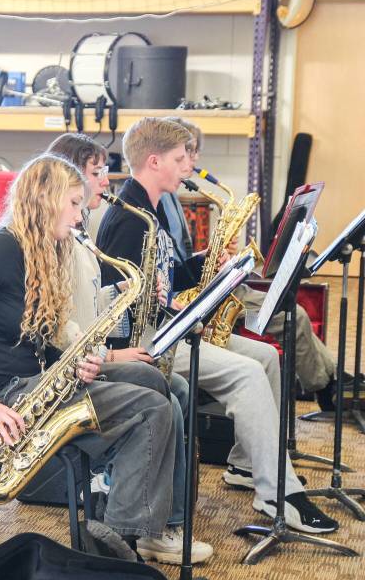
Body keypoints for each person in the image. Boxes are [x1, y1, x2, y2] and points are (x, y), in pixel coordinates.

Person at [96, 117, 337, 533]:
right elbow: (122, 309)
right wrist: (188, 318)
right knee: (244, 373)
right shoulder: (129, 221)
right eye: (179, 158)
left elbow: (165, 277)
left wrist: (206, 263)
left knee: (264, 356)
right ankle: (278, 492)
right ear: (154, 161)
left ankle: (247, 465)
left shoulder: (149, 209)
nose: (188, 165)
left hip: (169, 329)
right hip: (151, 343)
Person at [0, 153, 178, 549]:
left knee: (151, 378)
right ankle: (119, 546)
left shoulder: (41, 250)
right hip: (0, 403)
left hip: (31, 383)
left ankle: (135, 504)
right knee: (152, 409)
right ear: (45, 199)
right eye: (74, 204)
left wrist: (76, 362)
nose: (80, 217)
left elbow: (32, 340)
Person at [48, 133, 211, 564]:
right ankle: (146, 529)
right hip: (74, 368)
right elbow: (59, 330)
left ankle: (163, 518)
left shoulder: (80, 233)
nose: (106, 181)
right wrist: (113, 354)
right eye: (96, 172)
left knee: (171, 388)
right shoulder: (63, 238)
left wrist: (124, 290)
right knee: (164, 400)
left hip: (91, 355)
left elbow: (87, 306)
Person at [164, 116, 340, 412]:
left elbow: (180, 254)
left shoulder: (173, 195)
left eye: (194, 152)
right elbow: (172, 263)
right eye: (186, 153)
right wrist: (208, 258)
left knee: (294, 312)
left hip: (210, 283)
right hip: (198, 294)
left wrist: (215, 252)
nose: (193, 160)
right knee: (294, 316)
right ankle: (327, 386)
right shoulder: (163, 199)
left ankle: (334, 377)